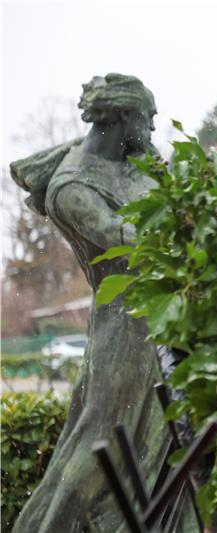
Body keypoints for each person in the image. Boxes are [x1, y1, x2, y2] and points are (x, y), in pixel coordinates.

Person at [10, 74, 176, 532]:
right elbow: (133, 244)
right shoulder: (71, 186)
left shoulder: (137, 162)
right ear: (124, 117)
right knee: (99, 443)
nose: (155, 128)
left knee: (171, 440)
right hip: (123, 333)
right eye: (148, 117)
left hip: (167, 321)